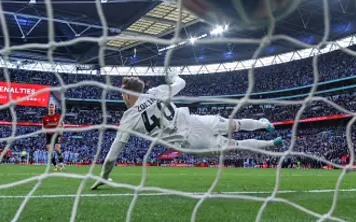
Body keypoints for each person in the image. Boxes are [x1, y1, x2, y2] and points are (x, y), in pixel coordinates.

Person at [91, 72, 282, 190]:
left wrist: (105, 176)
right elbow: (181, 83)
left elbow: (111, 157)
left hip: (189, 142)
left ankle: (271, 143)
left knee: (235, 145)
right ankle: (264, 124)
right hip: (197, 121)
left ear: (126, 94)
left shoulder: (128, 118)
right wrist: (172, 76)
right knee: (234, 124)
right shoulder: (155, 92)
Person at [42, 102, 66, 171]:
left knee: (57, 149)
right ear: (48, 108)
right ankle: (55, 165)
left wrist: (62, 131)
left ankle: (61, 164)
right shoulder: (45, 118)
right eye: (50, 107)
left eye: (52, 107)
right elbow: (43, 126)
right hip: (48, 135)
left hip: (56, 134)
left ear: (55, 108)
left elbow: (62, 124)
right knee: (49, 151)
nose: (51, 108)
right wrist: (43, 130)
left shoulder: (58, 116)